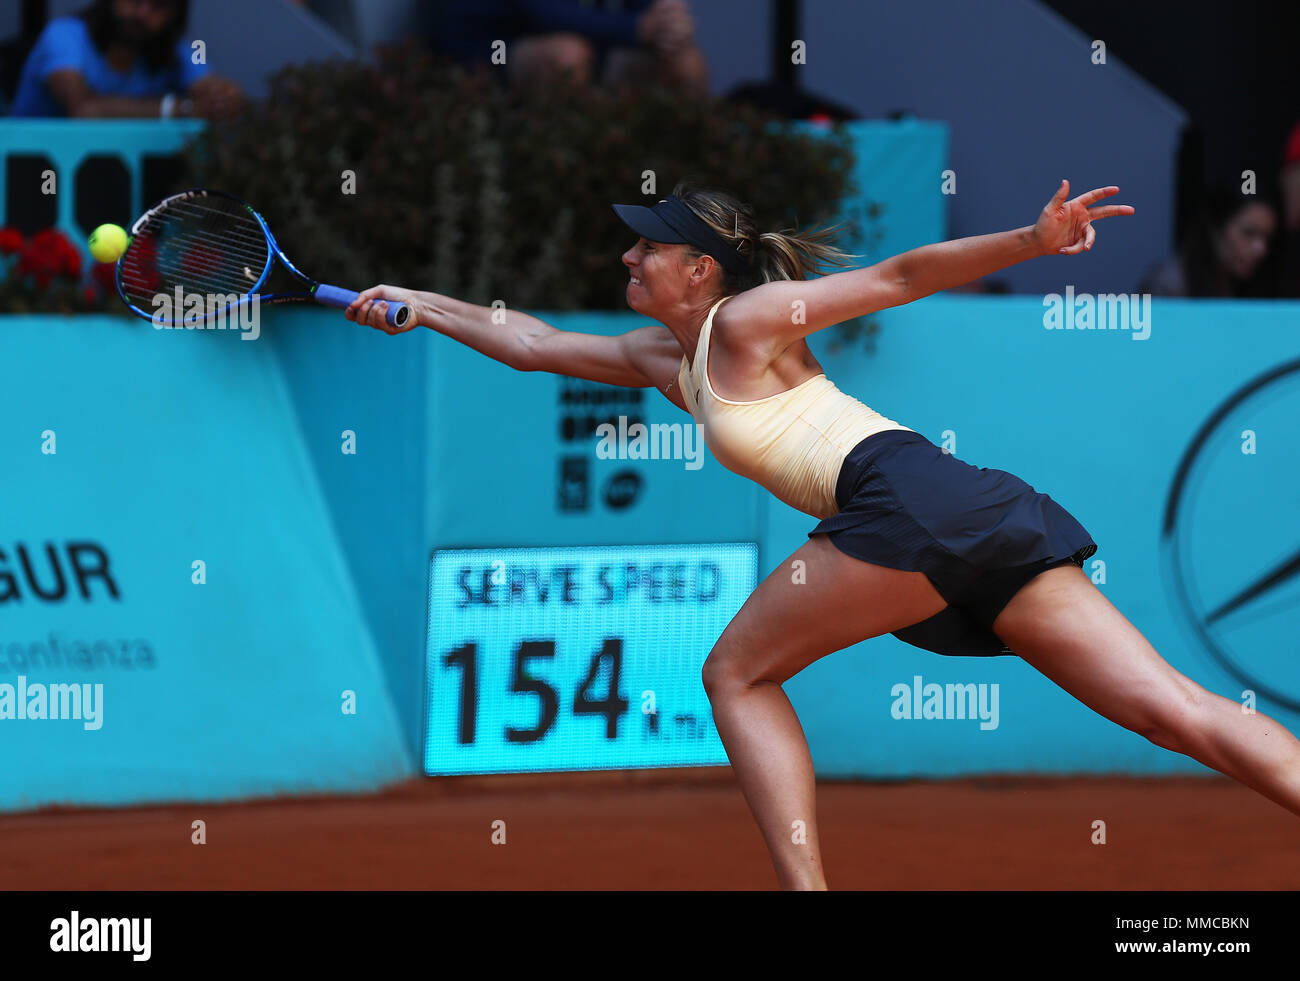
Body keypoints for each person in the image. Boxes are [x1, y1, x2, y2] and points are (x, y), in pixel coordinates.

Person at [345, 180, 1300, 890]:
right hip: (969, 504)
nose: (627, 259)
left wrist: (1032, 238)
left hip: (901, 497)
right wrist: (422, 306)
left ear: (699, 268)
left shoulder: (751, 321)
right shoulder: (662, 357)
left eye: (646, 249)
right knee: (1174, 710)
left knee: (733, 673)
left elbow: (896, 274)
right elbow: (535, 344)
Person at [10, 0, 242, 120]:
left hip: (116, 187)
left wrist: (224, 98)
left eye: (159, 4)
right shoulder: (63, 35)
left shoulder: (177, 50)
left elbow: (213, 91)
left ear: (175, 14)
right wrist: (179, 109)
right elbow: (85, 109)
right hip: (38, 180)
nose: (142, 12)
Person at [434, 0, 707, 94]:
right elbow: (545, 13)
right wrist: (639, 27)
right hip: (487, 52)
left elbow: (647, 13)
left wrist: (670, 26)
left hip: (588, 45)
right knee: (566, 57)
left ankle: (676, 197)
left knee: (685, 64)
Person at [1139, 181, 1278, 297]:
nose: (1260, 249)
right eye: (1249, 233)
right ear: (1217, 228)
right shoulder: (1169, 285)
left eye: (1267, 238)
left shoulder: (1239, 285)